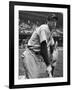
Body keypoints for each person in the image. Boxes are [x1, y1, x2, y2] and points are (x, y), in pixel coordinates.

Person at [21, 14, 58, 78]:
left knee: (35, 78)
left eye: (55, 21)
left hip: (37, 57)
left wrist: (52, 55)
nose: (54, 23)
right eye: (52, 20)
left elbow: (52, 45)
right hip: (31, 55)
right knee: (33, 79)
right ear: (47, 21)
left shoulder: (51, 31)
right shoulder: (44, 28)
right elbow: (43, 47)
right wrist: (48, 65)